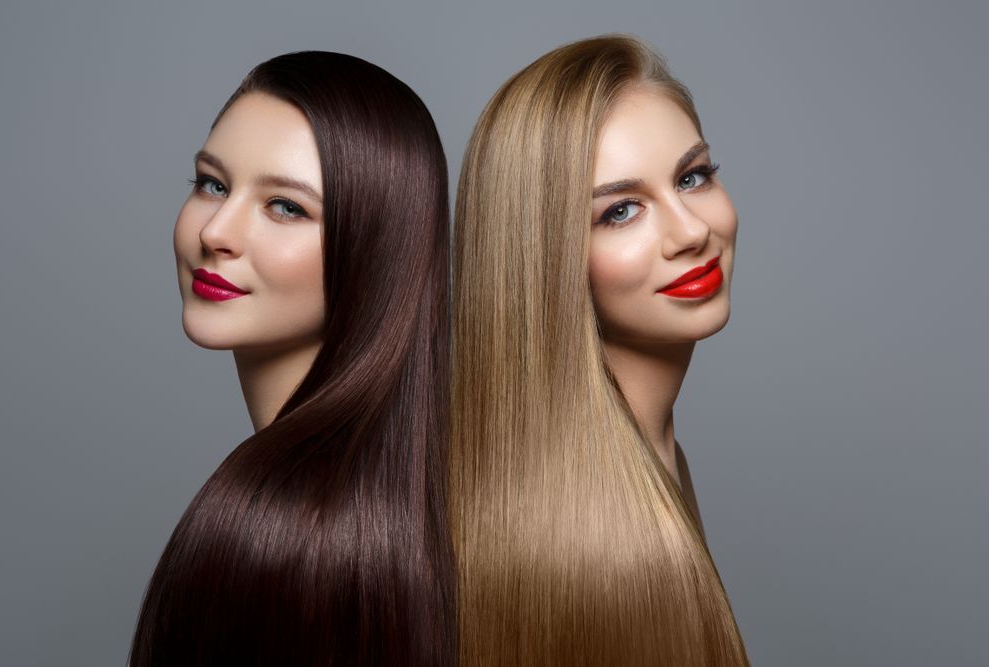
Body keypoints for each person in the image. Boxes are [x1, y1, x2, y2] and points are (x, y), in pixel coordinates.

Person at [130, 51, 456, 666]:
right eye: (212, 184)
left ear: (381, 248)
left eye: (286, 206)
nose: (216, 231)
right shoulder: (421, 499)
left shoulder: (272, 530)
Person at [450, 35, 749, 665]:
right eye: (620, 211)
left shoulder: (647, 459)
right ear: (541, 255)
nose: (692, 230)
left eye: (693, 177)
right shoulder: (610, 544)